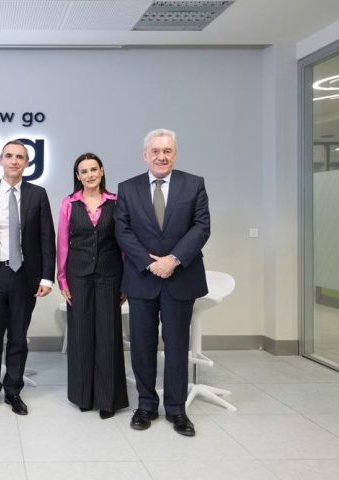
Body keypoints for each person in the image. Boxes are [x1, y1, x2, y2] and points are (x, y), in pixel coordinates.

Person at [114, 128, 210, 437]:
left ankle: (176, 409)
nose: (161, 156)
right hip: (142, 278)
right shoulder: (127, 188)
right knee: (142, 345)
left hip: (180, 277)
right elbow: (122, 230)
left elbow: (201, 227)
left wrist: (173, 259)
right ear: (145, 155)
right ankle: (145, 405)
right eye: (155, 151)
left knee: (177, 346)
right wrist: (150, 262)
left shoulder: (194, 184)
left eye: (167, 151)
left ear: (175, 155)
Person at [0, 139, 56, 416]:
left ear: (27, 163)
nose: (14, 161)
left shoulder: (37, 194)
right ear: (0, 161)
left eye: (20, 156)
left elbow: (47, 237)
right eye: (9, 156)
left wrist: (47, 277)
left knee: (18, 337)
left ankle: (14, 391)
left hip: (24, 275)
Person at [57, 153, 129, 419]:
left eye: (93, 169)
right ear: (78, 176)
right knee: (81, 335)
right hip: (77, 276)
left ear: (102, 171)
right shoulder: (68, 203)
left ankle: (108, 399)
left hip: (110, 275)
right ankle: (83, 396)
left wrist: (126, 281)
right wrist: (62, 279)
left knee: (109, 335)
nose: (89, 175)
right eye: (84, 171)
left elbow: (124, 244)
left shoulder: (116, 202)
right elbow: (62, 243)